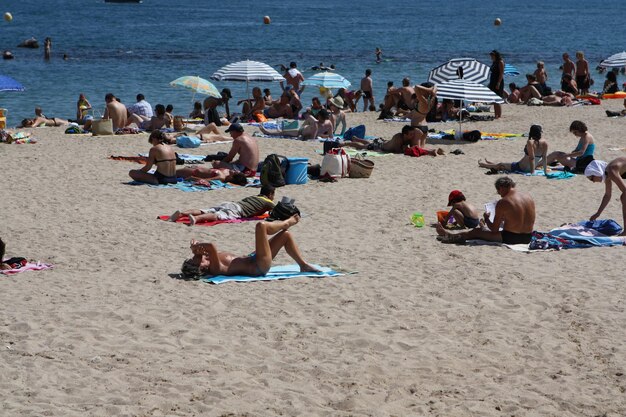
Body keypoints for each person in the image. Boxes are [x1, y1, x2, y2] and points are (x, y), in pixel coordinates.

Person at [181, 214, 319, 279]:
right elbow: (211, 246)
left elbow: (202, 248)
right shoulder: (216, 269)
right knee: (261, 226)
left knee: (285, 236)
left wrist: (195, 249)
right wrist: (195, 248)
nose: (198, 256)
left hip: (254, 257)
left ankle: (303, 265)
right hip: (259, 266)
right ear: (201, 267)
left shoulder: (209, 260)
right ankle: (286, 222)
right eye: (197, 259)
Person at [437, 177, 536, 244]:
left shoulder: (504, 201)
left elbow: (494, 230)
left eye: (498, 191)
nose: (499, 194)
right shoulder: (528, 196)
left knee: (476, 232)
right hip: (528, 237)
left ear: (501, 188)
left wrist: (487, 219)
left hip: (511, 237)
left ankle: (450, 236)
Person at [170, 185, 276, 225]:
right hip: (238, 210)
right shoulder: (268, 202)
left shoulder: (254, 197)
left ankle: (182, 214)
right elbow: (279, 211)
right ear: (270, 194)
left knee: (206, 210)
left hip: (231, 203)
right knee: (217, 216)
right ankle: (196, 219)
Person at [478, 124, 548, 174]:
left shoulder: (531, 142)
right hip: (530, 167)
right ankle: (490, 163)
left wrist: (532, 172)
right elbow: (544, 158)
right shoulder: (545, 143)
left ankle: (484, 165)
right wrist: (545, 172)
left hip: (521, 167)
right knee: (503, 164)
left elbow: (532, 158)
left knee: (501, 164)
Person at [585, 158, 626, 236]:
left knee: (624, 197)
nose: (593, 181)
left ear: (596, 172)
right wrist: (598, 213)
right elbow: (607, 195)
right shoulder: (607, 174)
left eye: (592, 178)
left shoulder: (611, 170)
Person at [342, 124, 443, 155]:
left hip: (382, 142)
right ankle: (346, 144)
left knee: (370, 142)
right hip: (380, 146)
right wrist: (405, 149)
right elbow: (397, 151)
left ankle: (356, 138)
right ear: (405, 134)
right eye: (411, 134)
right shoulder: (398, 138)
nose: (413, 136)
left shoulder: (405, 137)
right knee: (362, 146)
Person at [259, 108, 333, 139]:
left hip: (299, 131)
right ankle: (267, 132)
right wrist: (321, 135)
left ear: (319, 116)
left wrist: (320, 135)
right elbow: (330, 137)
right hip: (299, 130)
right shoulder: (328, 123)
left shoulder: (317, 124)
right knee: (282, 132)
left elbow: (312, 138)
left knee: (282, 132)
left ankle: (266, 131)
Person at [408, 82, 437, 148]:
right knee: (422, 148)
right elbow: (436, 86)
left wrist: (429, 89)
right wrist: (431, 90)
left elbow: (416, 87)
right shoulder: (432, 99)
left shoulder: (423, 100)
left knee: (416, 149)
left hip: (417, 127)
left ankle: (434, 151)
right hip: (425, 127)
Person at [174, 166, 247, 184]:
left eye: (235, 172)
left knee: (172, 172)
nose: (234, 170)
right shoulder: (226, 174)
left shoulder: (221, 178)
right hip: (194, 169)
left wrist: (192, 178)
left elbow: (206, 180)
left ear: (232, 177)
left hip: (193, 172)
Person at [488, 50, 505, 119]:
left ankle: (499, 115)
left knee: (497, 99)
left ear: (496, 55)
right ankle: (496, 115)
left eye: (492, 55)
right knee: (494, 99)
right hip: (492, 81)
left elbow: (501, 73)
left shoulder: (500, 62)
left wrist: (498, 83)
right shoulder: (494, 62)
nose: (491, 57)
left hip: (498, 82)